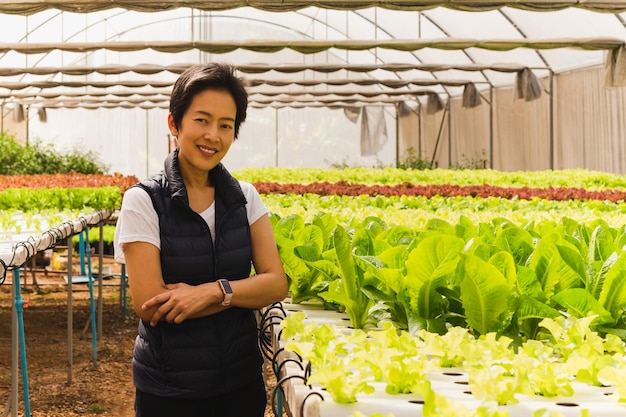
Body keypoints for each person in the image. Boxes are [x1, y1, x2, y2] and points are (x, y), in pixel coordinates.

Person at [113, 62, 288, 417]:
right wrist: (242, 294)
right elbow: (151, 304)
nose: (213, 135)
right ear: (174, 123)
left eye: (226, 125)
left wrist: (211, 292)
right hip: (170, 391)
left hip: (240, 382)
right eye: (202, 120)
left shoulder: (245, 197)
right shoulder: (143, 200)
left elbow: (276, 283)